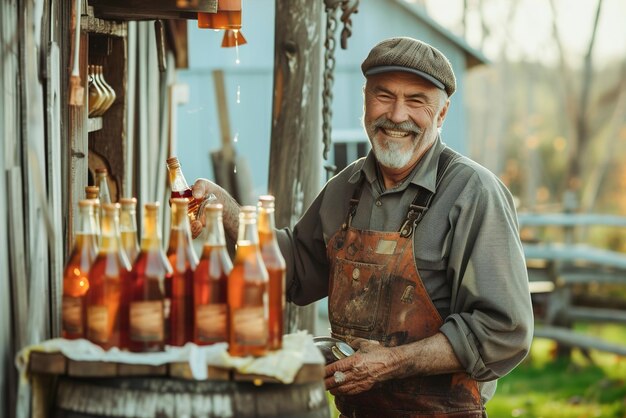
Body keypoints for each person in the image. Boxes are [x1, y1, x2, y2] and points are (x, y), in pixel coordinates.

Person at [191, 37, 533, 418]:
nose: (397, 115)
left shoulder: (473, 193)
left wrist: (393, 362)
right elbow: (292, 270)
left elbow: (505, 331)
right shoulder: (345, 188)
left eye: (416, 100)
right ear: (365, 99)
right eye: (384, 96)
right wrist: (229, 212)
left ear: (442, 114)